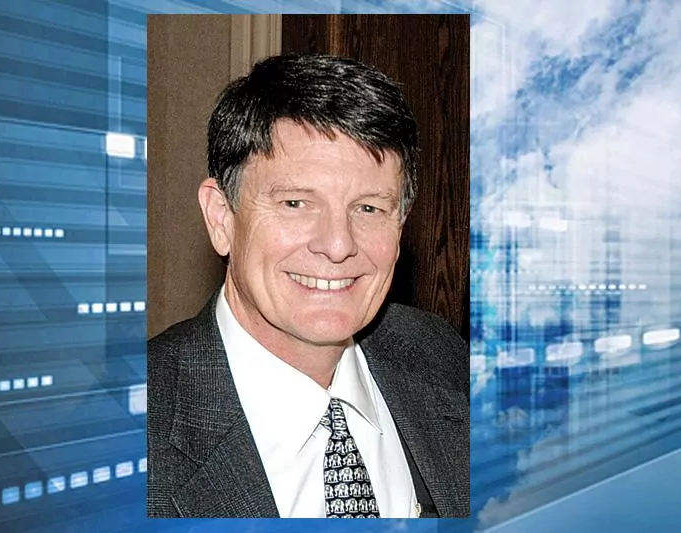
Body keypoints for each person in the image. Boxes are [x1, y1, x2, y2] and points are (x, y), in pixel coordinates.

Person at [147, 53, 469, 519]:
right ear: (221, 218)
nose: (338, 245)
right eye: (296, 203)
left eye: (369, 208)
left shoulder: (444, 358)